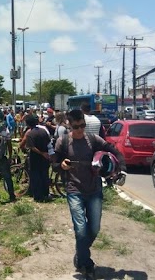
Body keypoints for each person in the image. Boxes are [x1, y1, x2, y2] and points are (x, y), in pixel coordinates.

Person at [52, 109, 127, 278]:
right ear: (69, 125)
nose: (80, 130)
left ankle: (80, 256)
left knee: (94, 229)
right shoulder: (63, 142)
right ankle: (87, 264)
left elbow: (114, 150)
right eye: (76, 126)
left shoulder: (93, 140)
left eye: (83, 126)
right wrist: (61, 165)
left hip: (94, 191)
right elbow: (54, 164)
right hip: (74, 191)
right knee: (80, 230)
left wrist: (122, 169)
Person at [24, 114, 53, 202]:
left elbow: (31, 147)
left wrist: (41, 153)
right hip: (45, 157)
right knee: (44, 175)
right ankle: (45, 194)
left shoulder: (30, 134)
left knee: (35, 177)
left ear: (28, 124)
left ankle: (38, 196)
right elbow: (49, 143)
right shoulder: (43, 131)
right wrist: (47, 153)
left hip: (35, 158)